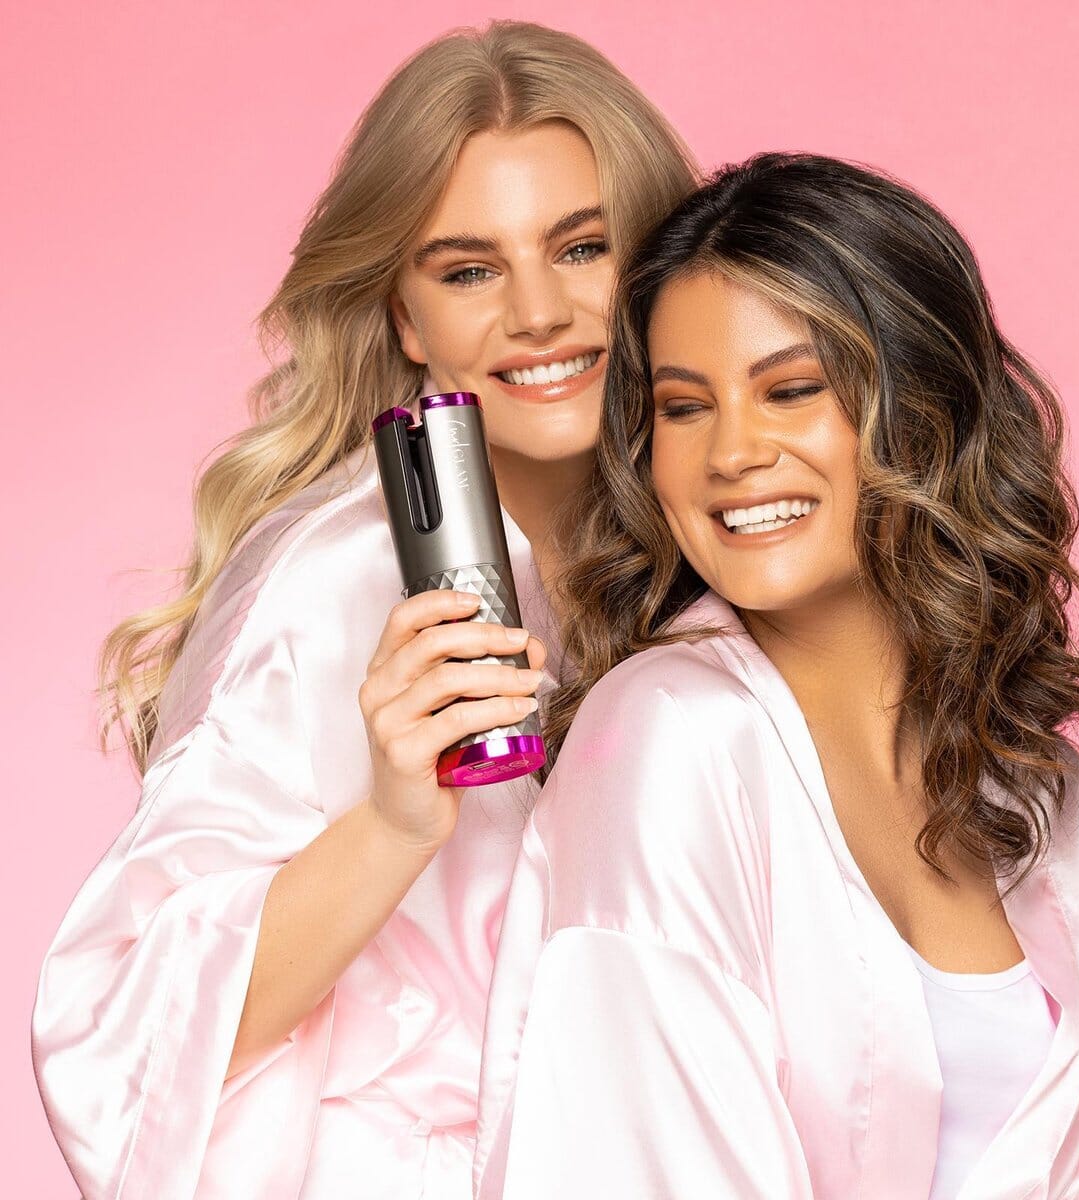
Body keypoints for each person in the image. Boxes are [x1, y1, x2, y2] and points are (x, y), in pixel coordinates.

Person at [32, 22, 696, 1199]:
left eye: (583, 248)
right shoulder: (341, 579)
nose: (539, 313)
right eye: (469, 270)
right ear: (405, 319)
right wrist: (394, 821)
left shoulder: (701, 542)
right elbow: (121, 1034)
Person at [475, 154, 1079, 1198]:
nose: (731, 453)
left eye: (790, 391)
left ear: (923, 407)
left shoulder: (1038, 790)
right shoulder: (667, 738)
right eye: (684, 408)